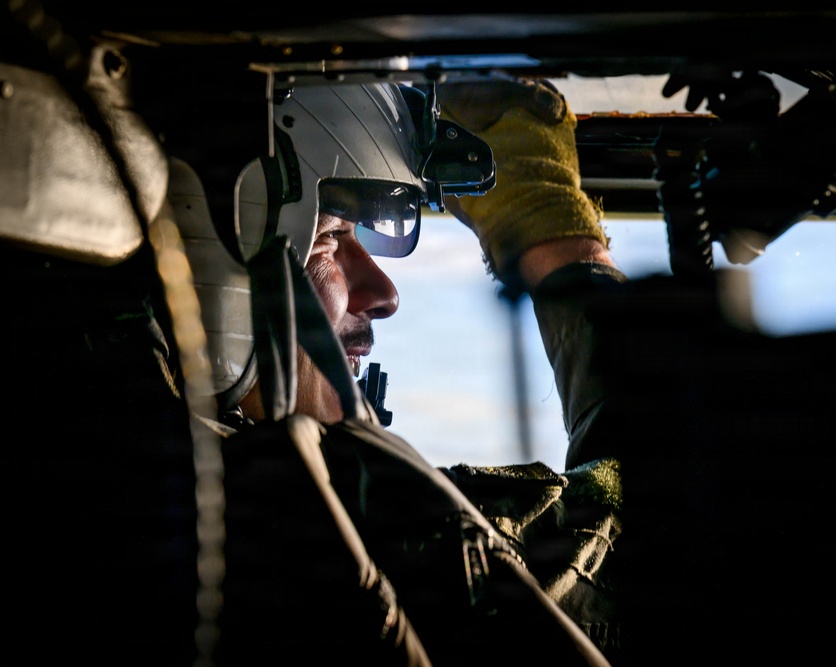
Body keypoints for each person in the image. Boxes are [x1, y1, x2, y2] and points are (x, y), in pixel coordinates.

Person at [164, 75, 631, 666]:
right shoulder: (367, 531)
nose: (385, 293)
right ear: (213, 261)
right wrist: (557, 242)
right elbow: (637, 531)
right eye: (330, 237)